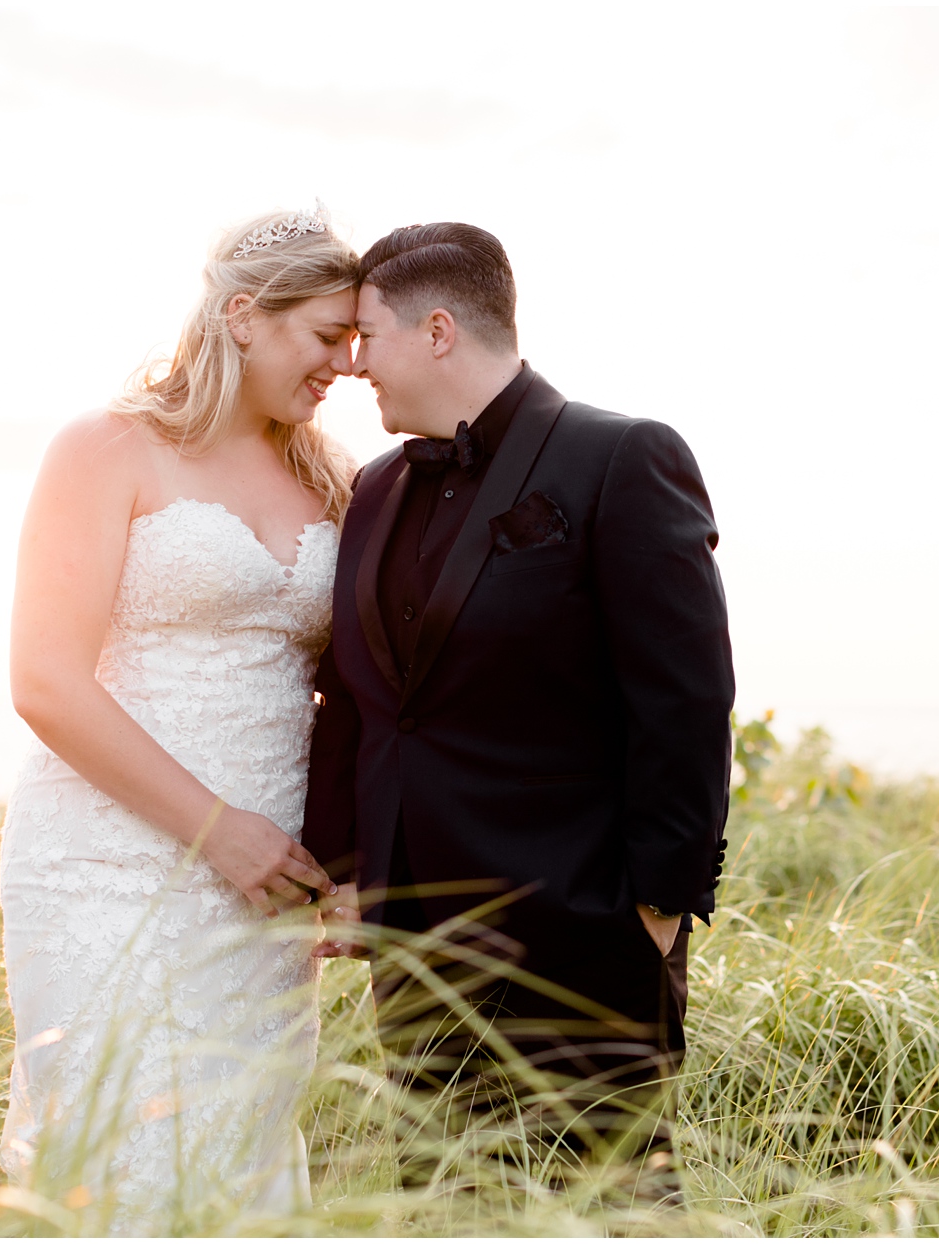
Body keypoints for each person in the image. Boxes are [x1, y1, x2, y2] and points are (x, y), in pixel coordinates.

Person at [302, 222, 734, 1191]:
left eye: (369, 333)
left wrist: (661, 907)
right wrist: (339, 865)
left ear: (440, 329)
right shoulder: (373, 489)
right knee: (447, 1201)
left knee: (606, 1206)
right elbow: (358, 696)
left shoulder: (623, 458)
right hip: (410, 943)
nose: (356, 360)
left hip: (582, 936)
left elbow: (687, 701)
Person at [0, 206, 353, 1231]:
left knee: (236, 1169)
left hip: (265, 895)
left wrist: (346, 853)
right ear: (245, 314)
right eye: (326, 335)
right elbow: (45, 680)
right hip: (103, 865)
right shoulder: (106, 447)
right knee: (122, 1161)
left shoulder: (330, 477)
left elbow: (362, 694)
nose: (345, 362)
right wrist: (216, 826)